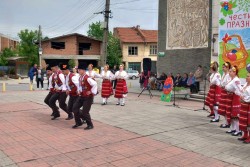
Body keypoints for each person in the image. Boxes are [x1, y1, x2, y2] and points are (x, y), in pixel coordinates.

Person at [72, 62, 97, 130]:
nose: (78, 71)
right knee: (74, 108)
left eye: (80, 70)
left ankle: (90, 125)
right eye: (78, 70)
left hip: (88, 97)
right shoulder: (80, 78)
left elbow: (95, 84)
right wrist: (79, 90)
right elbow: (80, 86)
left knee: (85, 112)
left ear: (83, 70)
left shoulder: (87, 78)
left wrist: (91, 92)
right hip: (82, 96)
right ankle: (78, 122)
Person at [225, 66, 242, 136]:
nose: (229, 72)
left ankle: (238, 130)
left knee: (236, 115)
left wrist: (235, 93)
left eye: (231, 71)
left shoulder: (236, 80)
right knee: (232, 114)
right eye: (229, 71)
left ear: (235, 72)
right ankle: (233, 128)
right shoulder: (232, 79)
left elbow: (239, 89)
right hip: (232, 97)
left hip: (236, 98)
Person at [218, 62, 231, 128]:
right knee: (223, 108)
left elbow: (229, 83)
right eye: (222, 67)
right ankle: (226, 122)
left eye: (224, 67)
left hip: (226, 92)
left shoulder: (229, 74)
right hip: (223, 92)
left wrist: (224, 86)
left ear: (228, 67)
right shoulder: (223, 74)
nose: (223, 68)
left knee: (226, 108)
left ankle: (228, 123)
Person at [239, 73, 250, 143]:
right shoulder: (246, 84)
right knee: (243, 121)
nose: (246, 77)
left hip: (248, 105)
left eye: (248, 76)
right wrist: (241, 97)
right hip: (243, 105)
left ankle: (249, 137)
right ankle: (245, 135)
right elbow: (242, 92)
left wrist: (245, 100)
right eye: (247, 76)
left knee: (249, 122)